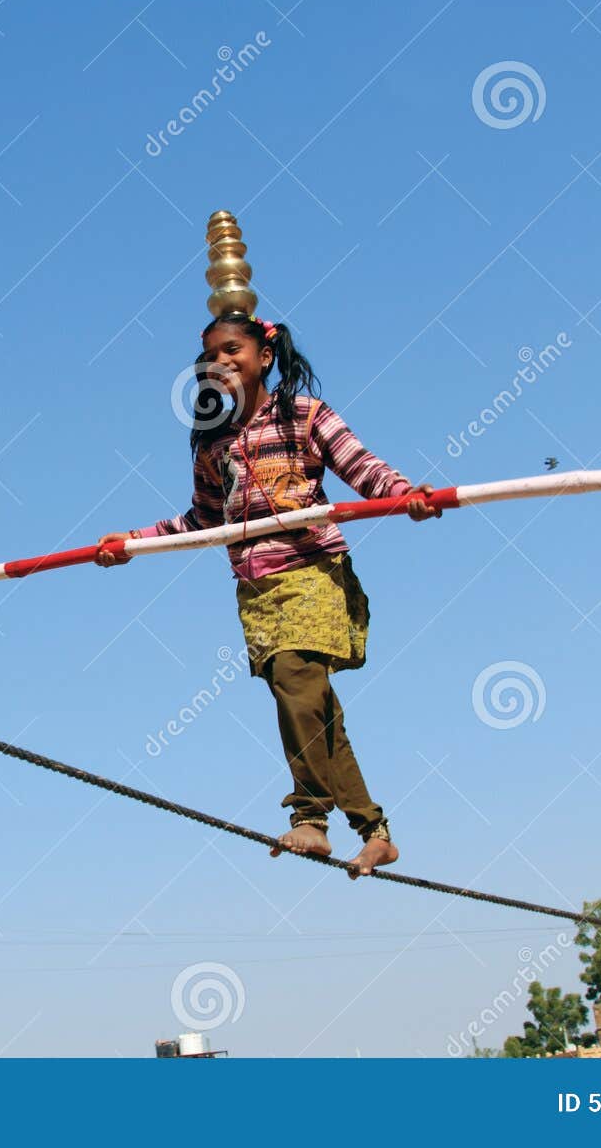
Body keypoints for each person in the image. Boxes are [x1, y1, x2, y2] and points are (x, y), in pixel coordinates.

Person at [98, 312, 439, 877]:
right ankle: (373, 829)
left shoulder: (305, 416)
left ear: (264, 355)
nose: (221, 363)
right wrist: (132, 541)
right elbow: (203, 521)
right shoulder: (214, 445)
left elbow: (362, 467)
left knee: (295, 683)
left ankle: (311, 817)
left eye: (233, 350)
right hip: (256, 592)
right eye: (210, 357)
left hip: (312, 572)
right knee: (317, 709)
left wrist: (405, 496)